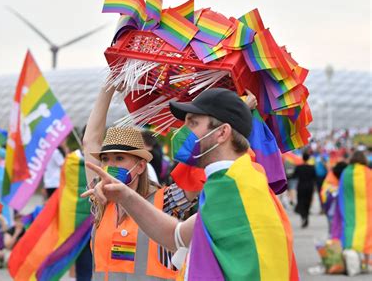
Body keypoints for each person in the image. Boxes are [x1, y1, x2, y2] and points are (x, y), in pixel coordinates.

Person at [83, 88, 298, 280]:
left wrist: (238, 110)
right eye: (106, 158)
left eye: (192, 123)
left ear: (222, 132)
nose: (183, 133)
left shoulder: (237, 188)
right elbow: (176, 236)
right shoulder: (224, 186)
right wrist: (125, 196)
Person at [82, 84, 199, 280]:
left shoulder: (165, 202)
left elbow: (198, 170)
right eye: (106, 159)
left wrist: (233, 115)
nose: (110, 165)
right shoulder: (101, 199)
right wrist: (108, 87)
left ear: (141, 166)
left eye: (119, 158)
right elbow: (90, 141)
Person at [331, 150, 372, 275]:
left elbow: (341, 190)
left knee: (349, 229)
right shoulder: (368, 173)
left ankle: (350, 258)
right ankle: (365, 263)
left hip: (348, 208)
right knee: (367, 234)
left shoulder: (346, 173)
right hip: (366, 209)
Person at [293, 151, 317, 228]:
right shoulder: (312, 168)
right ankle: (306, 217)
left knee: (301, 202)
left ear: (302, 158)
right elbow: (315, 178)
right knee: (307, 202)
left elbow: (294, 176)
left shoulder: (299, 167)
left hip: (301, 187)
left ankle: (303, 216)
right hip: (309, 187)